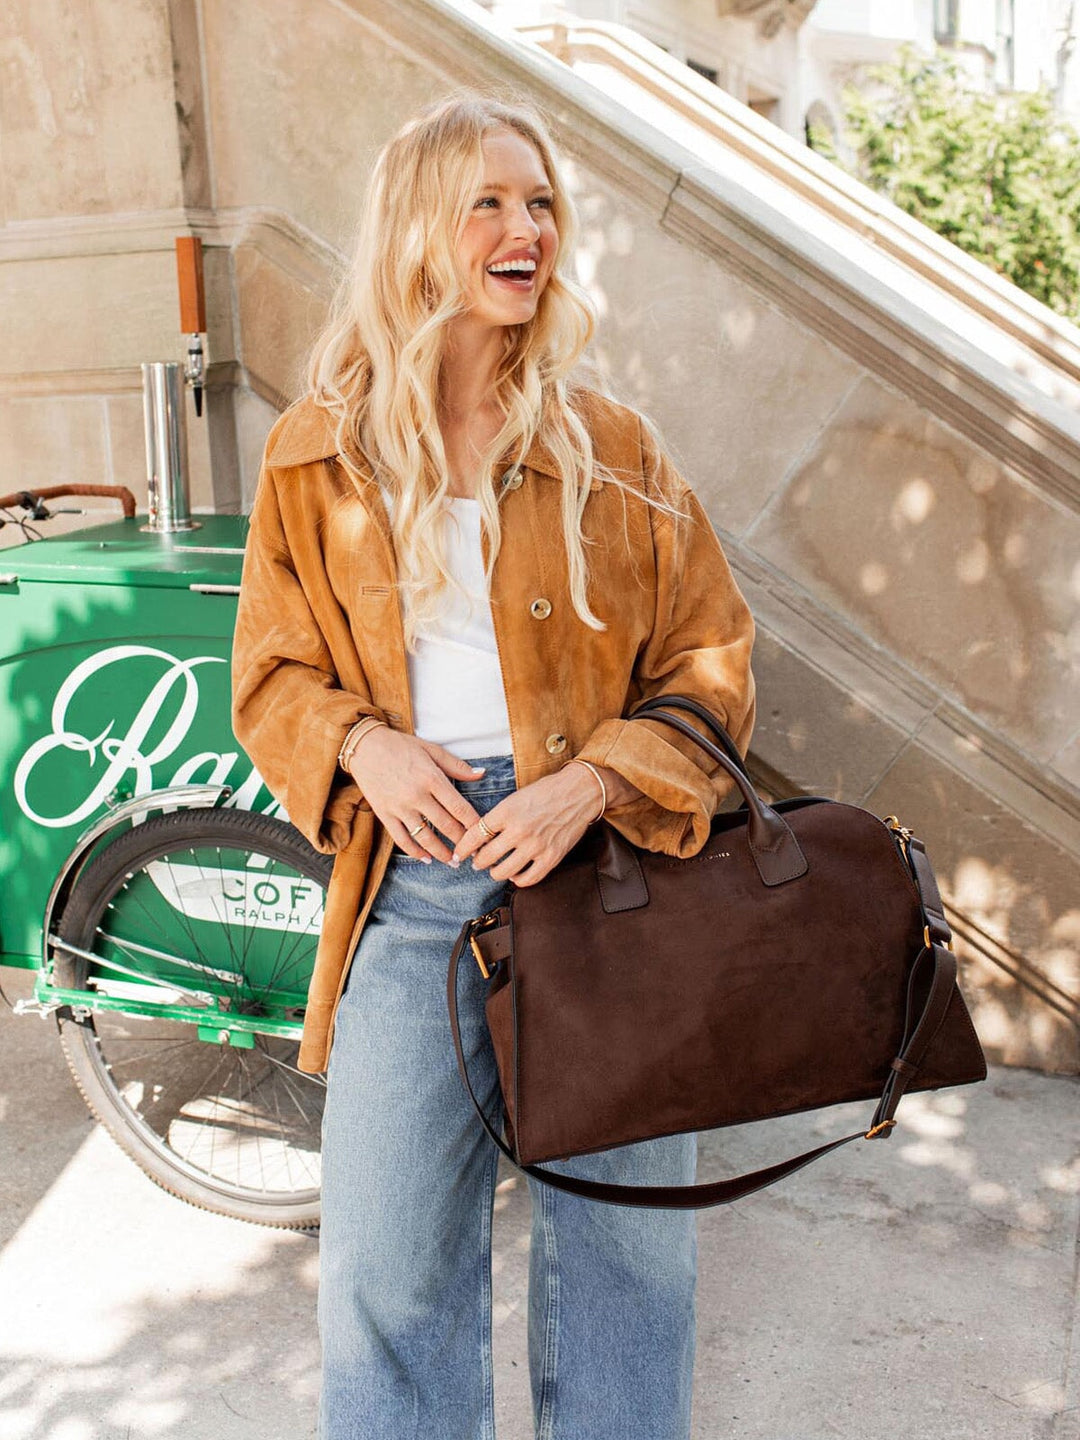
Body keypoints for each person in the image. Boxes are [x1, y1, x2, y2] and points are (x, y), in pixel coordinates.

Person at [232, 90, 755, 1440]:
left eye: (540, 203)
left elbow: (712, 658)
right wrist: (364, 745)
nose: (527, 228)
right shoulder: (318, 455)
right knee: (386, 1270)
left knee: (630, 1265)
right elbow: (271, 675)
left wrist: (595, 780)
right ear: (417, 229)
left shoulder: (614, 450)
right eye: (488, 203)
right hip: (411, 890)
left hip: (606, 885)